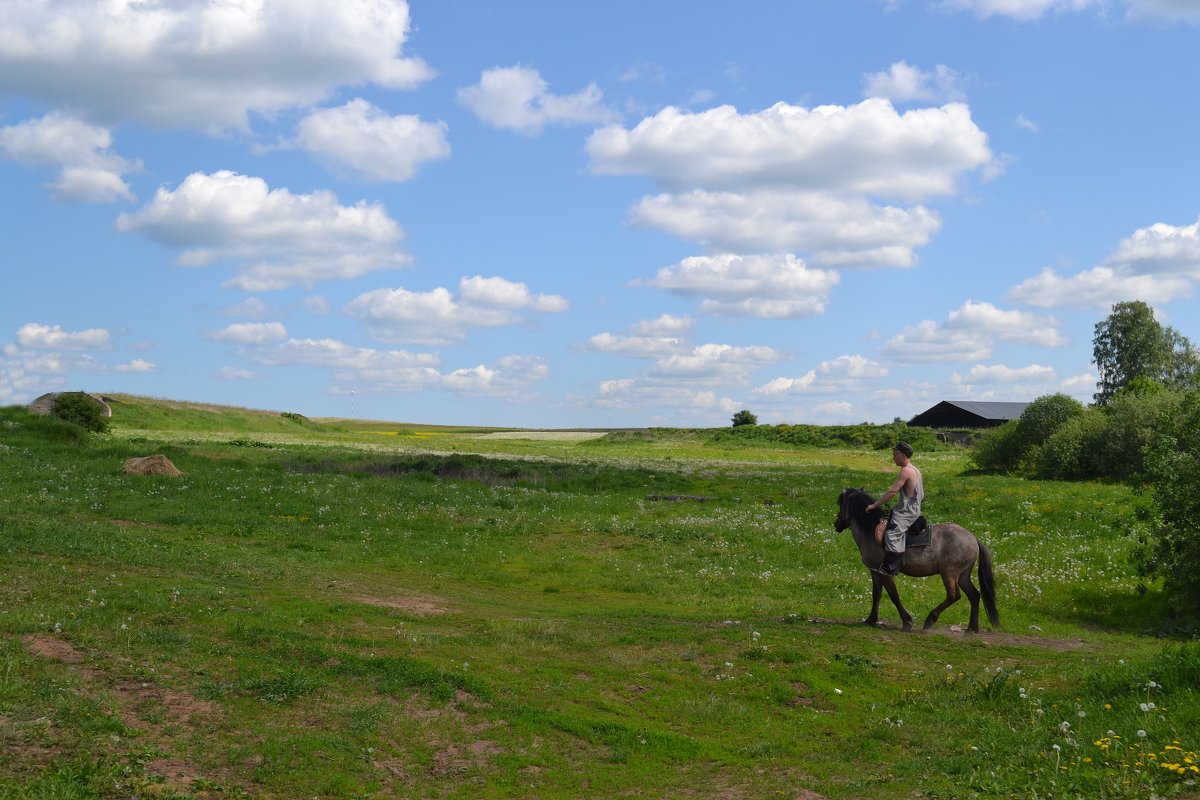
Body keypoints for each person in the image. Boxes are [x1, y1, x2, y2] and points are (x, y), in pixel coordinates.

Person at [864, 441, 923, 578]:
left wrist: (875, 505)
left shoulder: (906, 471)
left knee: (892, 535)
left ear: (903, 455)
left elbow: (892, 491)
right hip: (912, 508)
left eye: (895, 455)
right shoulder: (916, 470)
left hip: (906, 511)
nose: (893, 458)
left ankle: (890, 569)